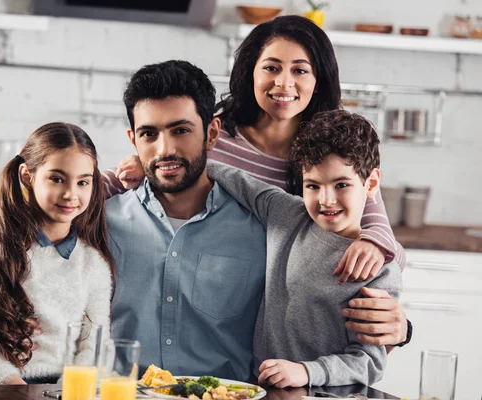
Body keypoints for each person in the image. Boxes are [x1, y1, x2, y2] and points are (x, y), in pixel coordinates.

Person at [108, 16, 409, 348]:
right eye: (271, 68)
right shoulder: (209, 136)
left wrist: (399, 318)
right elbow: (131, 176)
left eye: (300, 70)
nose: (283, 83)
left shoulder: (326, 153)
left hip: (292, 319)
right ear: (250, 72)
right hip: (228, 315)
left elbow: (375, 226)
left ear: (319, 79)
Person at [207, 110, 402, 387]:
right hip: (262, 389)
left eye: (341, 184)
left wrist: (307, 371)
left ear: (370, 184)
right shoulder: (285, 213)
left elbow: (369, 362)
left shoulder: (378, 269)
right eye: (313, 185)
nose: (326, 200)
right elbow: (237, 179)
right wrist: (158, 165)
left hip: (328, 393)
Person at [106, 60, 267, 382]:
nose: (165, 149)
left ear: (212, 133)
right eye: (149, 134)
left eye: (180, 130)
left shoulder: (262, 232)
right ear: (133, 140)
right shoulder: (101, 225)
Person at [0, 122, 113, 385]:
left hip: (58, 388)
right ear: (27, 176)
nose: (71, 194)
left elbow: (94, 345)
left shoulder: (93, 266)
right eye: (57, 179)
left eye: (83, 182)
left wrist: (66, 390)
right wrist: (16, 388)